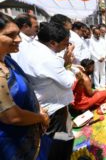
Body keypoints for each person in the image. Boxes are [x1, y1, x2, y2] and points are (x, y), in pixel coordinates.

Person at [21, 22, 77, 160]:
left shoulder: (31, 48)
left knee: (55, 142)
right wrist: (69, 65)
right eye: (65, 44)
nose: (66, 47)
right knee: (61, 142)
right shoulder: (47, 58)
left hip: (45, 106)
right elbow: (68, 82)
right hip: (54, 109)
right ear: (52, 42)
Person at [0, 13, 49, 159]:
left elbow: (26, 87)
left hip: (32, 134)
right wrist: (41, 118)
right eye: (10, 35)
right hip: (14, 144)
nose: (18, 39)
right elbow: (11, 117)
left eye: (18, 34)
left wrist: (38, 109)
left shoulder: (7, 60)